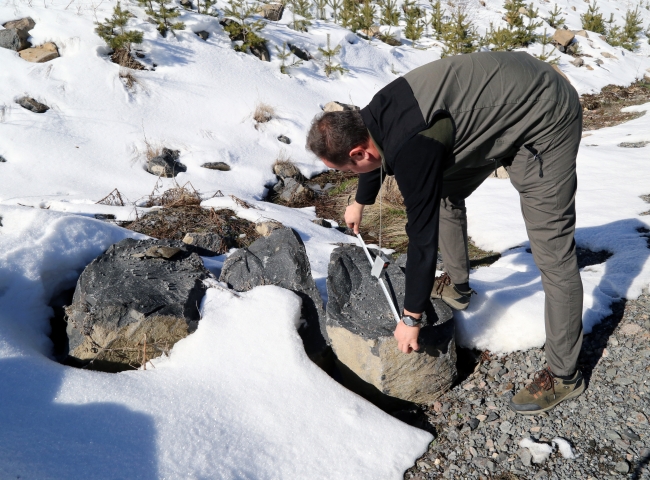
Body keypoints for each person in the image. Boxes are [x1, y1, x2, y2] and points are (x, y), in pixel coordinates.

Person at [306, 51, 585, 415]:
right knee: (441, 190)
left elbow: (422, 238)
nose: (349, 172)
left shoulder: (414, 147)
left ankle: (564, 375)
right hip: (506, 93)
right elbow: (378, 157)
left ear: (358, 151)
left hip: (546, 113)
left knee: (553, 251)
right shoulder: (371, 117)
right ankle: (458, 285)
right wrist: (362, 199)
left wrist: (411, 318)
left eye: (345, 168)